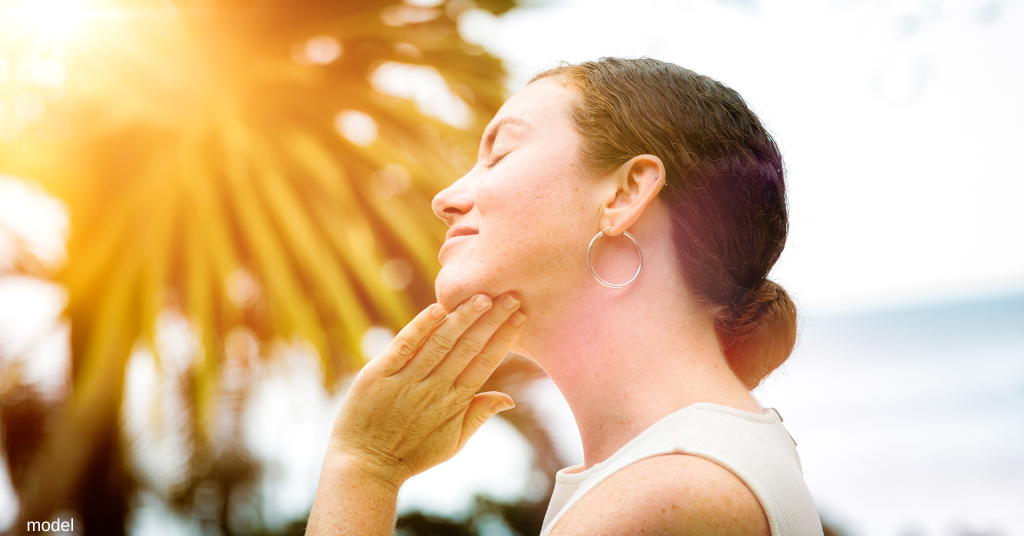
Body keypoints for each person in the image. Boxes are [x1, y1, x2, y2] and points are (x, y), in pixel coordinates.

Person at [307, 57, 822, 536]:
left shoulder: (673, 489)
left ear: (624, 195)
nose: (446, 199)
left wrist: (365, 467)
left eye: (500, 154)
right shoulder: (694, 460)